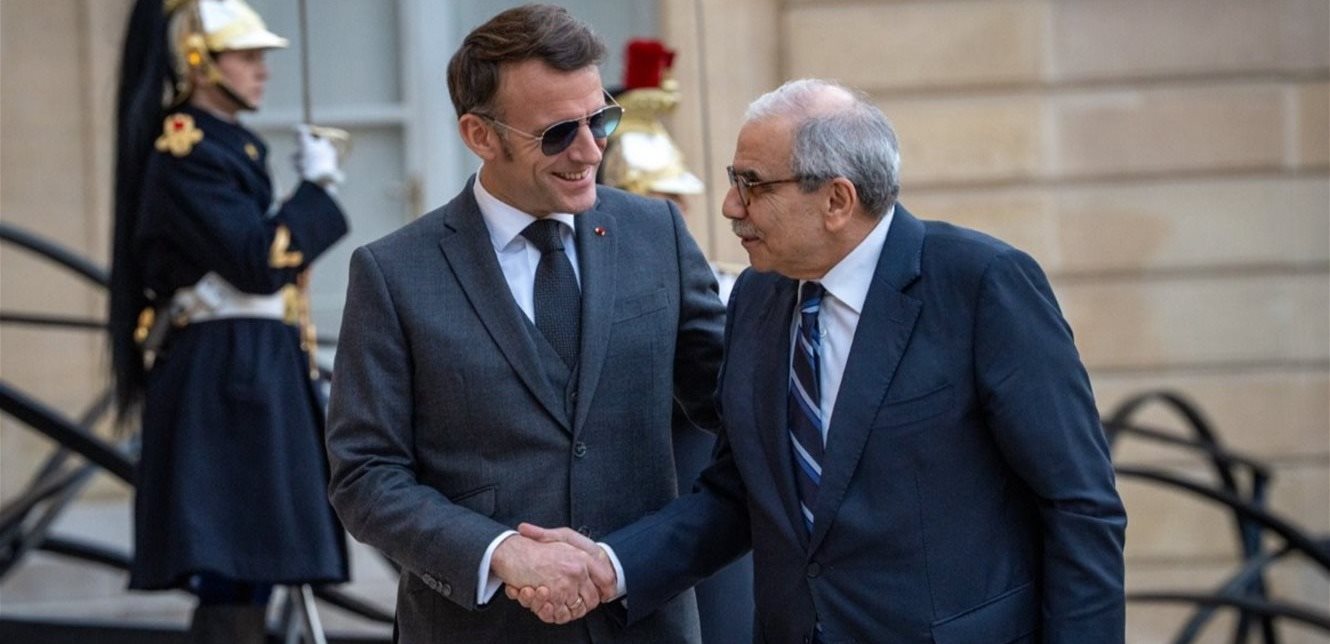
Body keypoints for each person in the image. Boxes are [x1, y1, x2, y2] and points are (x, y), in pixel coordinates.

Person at [515, 79, 1128, 643]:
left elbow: (1079, 504)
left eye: (753, 184)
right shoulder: (757, 296)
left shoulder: (980, 285)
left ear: (837, 199)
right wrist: (613, 566)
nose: (730, 206)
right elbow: (740, 493)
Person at [323, 5, 725, 643]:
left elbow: (737, 404)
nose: (591, 151)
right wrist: (500, 552)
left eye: (601, 119)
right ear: (480, 136)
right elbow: (365, 476)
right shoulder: (393, 273)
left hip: (644, 625)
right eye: (559, 133)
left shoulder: (657, 234)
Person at [108, 0, 350, 641]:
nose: (262, 70)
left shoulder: (225, 142)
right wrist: (316, 193)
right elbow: (257, 262)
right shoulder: (186, 147)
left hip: (251, 362)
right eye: (246, 56)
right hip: (225, 373)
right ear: (199, 62)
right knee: (236, 559)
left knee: (256, 557)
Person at [600, 38, 754, 643]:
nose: (679, 211)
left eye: (678, 198)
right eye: (662, 198)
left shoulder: (725, 282)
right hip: (638, 503)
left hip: (710, 495)